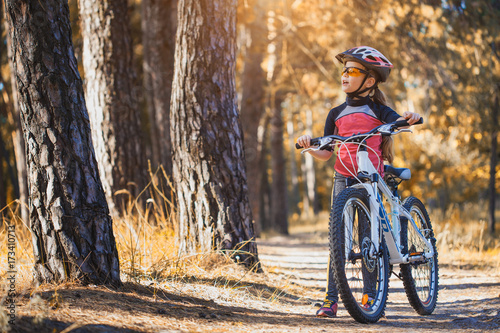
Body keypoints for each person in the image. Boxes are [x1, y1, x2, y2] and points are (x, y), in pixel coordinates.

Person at [296, 46, 421, 318]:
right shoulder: (336, 113)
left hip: (370, 178)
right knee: (338, 240)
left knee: (368, 240)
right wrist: (309, 145)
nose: (344, 76)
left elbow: (397, 121)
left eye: (352, 71)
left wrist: (407, 118)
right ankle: (330, 300)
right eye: (343, 71)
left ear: (370, 80)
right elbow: (326, 153)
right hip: (343, 176)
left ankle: (371, 297)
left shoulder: (378, 109)